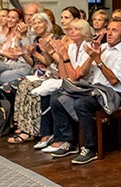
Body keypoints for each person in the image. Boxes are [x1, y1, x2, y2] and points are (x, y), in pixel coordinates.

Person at [44, 17, 121, 164]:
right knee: (56, 98)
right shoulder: (103, 47)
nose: (110, 33)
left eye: (115, 30)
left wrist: (98, 60)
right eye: (109, 29)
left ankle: (90, 148)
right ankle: (69, 141)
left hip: (116, 92)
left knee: (82, 103)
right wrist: (90, 57)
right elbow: (84, 73)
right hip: (95, 88)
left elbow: (114, 80)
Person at [36, 19, 95, 150]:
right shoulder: (72, 47)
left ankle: (67, 139)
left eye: (76, 29)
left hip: (87, 86)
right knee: (52, 96)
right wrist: (62, 56)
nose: (71, 32)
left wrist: (63, 54)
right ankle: (64, 138)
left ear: (84, 32)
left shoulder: (88, 47)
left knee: (57, 98)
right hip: (74, 85)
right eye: (70, 30)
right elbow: (64, 76)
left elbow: (75, 76)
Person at [7, 12, 60, 144]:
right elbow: (33, 62)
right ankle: (23, 126)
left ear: (47, 24)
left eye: (39, 22)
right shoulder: (36, 40)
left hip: (50, 74)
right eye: (34, 23)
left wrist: (35, 52)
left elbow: (48, 63)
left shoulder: (54, 38)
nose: (36, 25)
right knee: (22, 86)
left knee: (29, 88)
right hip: (36, 72)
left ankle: (32, 130)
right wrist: (24, 54)